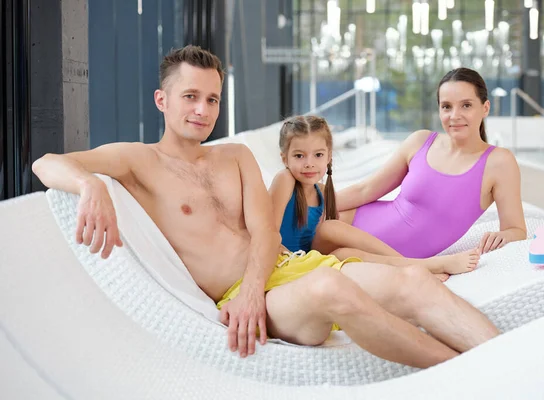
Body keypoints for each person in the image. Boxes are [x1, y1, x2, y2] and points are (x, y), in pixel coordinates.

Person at [32, 46, 499, 368]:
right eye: (190, 96)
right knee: (332, 290)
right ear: (163, 100)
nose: (202, 109)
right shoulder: (138, 160)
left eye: (212, 99)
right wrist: (88, 184)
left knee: (412, 279)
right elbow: (46, 162)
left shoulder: (233, 157)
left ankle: (506, 356)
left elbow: (266, 231)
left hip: (284, 271)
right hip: (259, 297)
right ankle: (466, 373)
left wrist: (257, 286)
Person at [322, 68, 527, 267]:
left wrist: (502, 236)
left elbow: (516, 229)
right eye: (446, 106)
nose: (454, 115)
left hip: (377, 255)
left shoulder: (499, 162)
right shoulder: (420, 141)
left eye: (466, 105)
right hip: (347, 224)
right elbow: (365, 190)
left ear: (485, 108)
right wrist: (314, 208)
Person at [270, 114, 478, 280]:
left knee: (342, 246)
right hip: (287, 262)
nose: (309, 163)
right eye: (299, 156)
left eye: (318, 155)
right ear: (284, 158)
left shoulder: (321, 191)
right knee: (331, 229)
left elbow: (361, 192)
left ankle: (411, 267)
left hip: (309, 257)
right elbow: (268, 233)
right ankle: (422, 266)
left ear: (329, 157)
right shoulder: (285, 180)